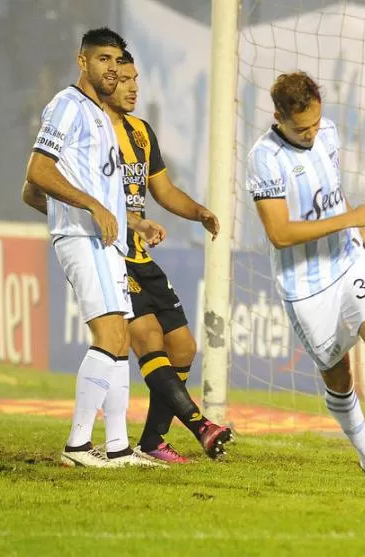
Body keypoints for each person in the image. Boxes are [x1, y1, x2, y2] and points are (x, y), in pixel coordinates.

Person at [244, 71, 365, 496]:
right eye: (302, 128)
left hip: (347, 261)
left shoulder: (329, 133)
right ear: (278, 117)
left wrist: (362, 235)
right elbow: (279, 233)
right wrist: (354, 220)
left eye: (316, 122)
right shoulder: (264, 158)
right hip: (305, 284)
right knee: (339, 375)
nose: (313, 133)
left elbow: (332, 192)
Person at [89, 50, 232, 462]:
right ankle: (201, 425)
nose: (133, 87)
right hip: (109, 253)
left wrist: (199, 211)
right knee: (147, 337)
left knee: (183, 348)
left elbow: (163, 190)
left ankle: (152, 441)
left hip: (140, 256)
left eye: (137, 79)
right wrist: (131, 222)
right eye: (125, 79)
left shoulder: (141, 132)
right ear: (106, 79)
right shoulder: (92, 131)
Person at [22, 27, 155, 468]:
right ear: (83, 62)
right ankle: (78, 445)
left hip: (105, 241)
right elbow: (38, 172)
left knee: (120, 344)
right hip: (85, 241)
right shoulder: (68, 106)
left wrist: (130, 219)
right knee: (112, 336)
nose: (112, 69)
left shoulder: (100, 114)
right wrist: (85, 211)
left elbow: (33, 193)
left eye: (117, 61)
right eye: (102, 60)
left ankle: (116, 447)